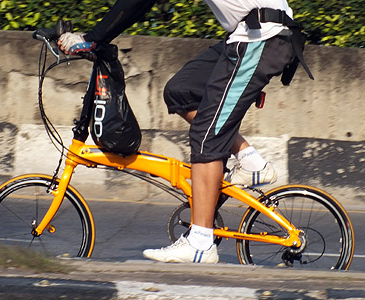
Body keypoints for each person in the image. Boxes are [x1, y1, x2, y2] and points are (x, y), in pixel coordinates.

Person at [58, 0, 298, 263]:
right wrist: (95, 39)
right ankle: (250, 160)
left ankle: (201, 243)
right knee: (181, 91)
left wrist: (92, 39)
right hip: (246, 36)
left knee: (207, 136)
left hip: (262, 38)